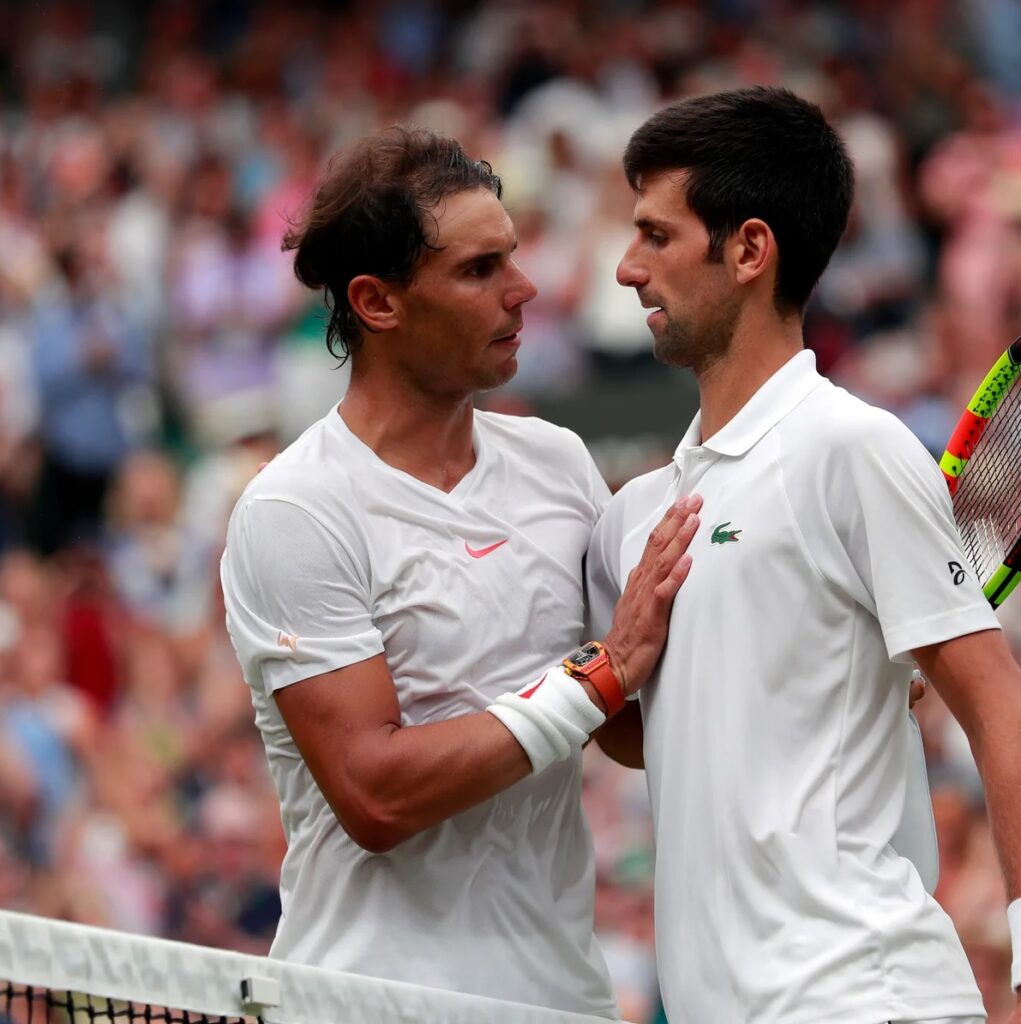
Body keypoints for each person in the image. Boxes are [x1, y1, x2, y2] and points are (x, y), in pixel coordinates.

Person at [219, 126, 701, 1017]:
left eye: (511, 256)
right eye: (480, 270)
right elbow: (375, 795)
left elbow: (626, 731)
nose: (523, 290)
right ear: (377, 302)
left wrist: (817, 677)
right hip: (368, 1007)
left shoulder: (557, 462)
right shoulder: (294, 510)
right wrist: (601, 673)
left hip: (559, 1002)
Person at [586, 86, 1021, 1024]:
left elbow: (998, 708)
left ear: (749, 250)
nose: (626, 268)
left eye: (656, 235)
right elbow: (644, 736)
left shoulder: (849, 449)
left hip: (865, 997)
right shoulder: (632, 519)